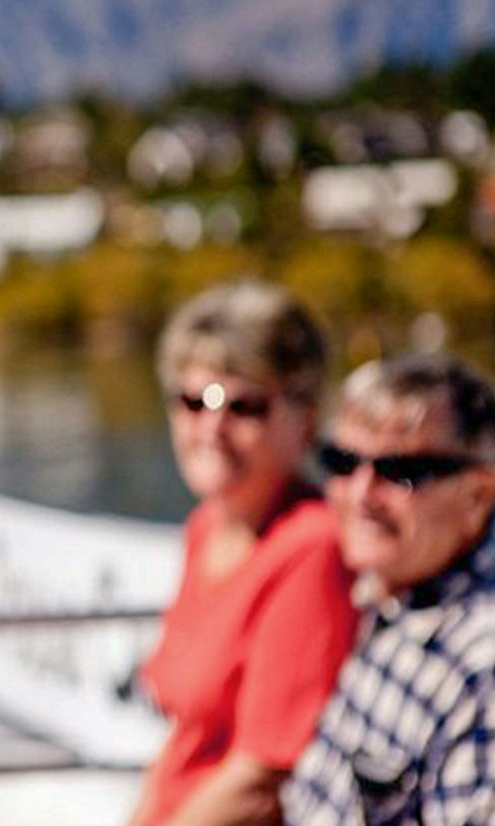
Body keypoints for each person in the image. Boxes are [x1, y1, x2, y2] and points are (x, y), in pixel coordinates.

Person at [127, 281, 358, 826]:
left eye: (245, 406)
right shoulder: (207, 528)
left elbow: (261, 779)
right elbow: (189, 738)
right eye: (194, 401)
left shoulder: (313, 546)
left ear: (305, 419)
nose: (213, 428)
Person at [283, 353, 495, 826]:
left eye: (401, 470)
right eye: (342, 462)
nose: (360, 493)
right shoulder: (389, 589)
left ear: (477, 495)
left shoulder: (481, 669)